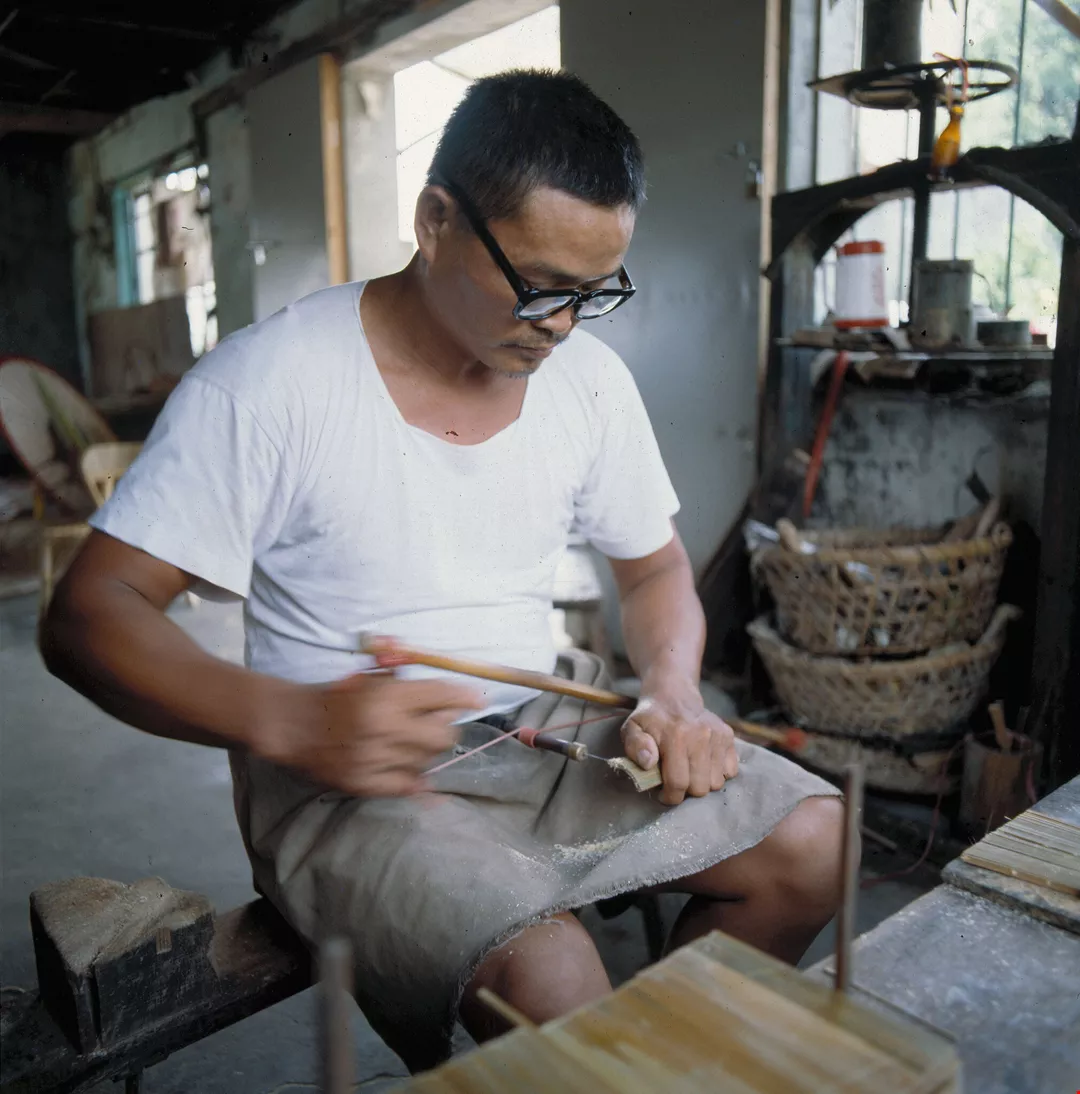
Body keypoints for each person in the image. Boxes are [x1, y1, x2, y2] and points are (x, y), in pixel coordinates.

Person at [42, 69, 844, 1072]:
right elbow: (89, 615)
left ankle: (656, 1069)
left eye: (594, 293)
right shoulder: (272, 382)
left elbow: (653, 571)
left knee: (814, 841)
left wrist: (673, 692)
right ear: (434, 221)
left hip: (542, 727)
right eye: (539, 283)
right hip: (343, 774)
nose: (562, 323)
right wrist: (292, 720)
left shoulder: (589, 383)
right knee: (552, 980)